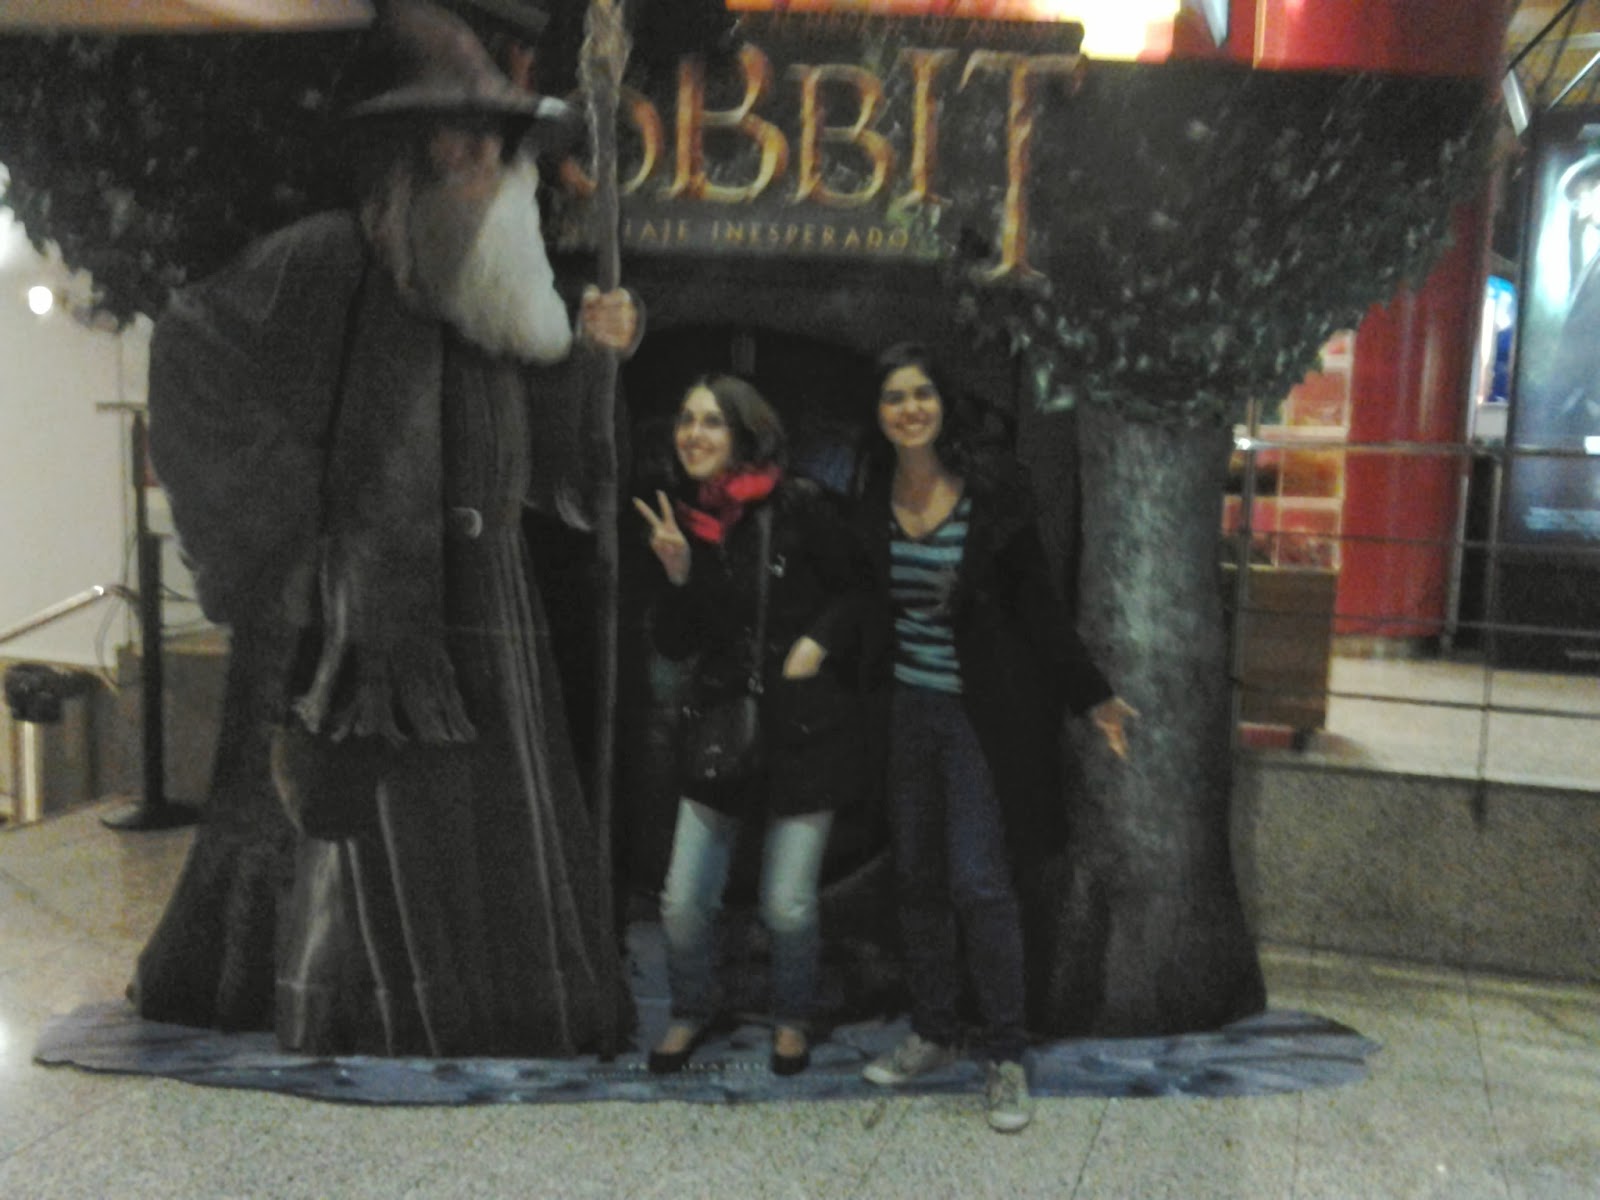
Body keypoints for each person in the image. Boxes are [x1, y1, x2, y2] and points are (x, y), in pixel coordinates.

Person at [145, 0, 638, 1056]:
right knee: (385, 843)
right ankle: (377, 1019)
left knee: (498, 841)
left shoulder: (490, 284)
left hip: (496, 621)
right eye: (468, 140)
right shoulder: (327, 260)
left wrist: (595, 363)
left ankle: (505, 1015)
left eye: (498, 143)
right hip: (381, 631)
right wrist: (296, 545)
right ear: (409, 154)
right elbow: (191, 352)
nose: (495, 165)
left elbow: (554, 471)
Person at [853, 343, 1136, 1131]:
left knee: (979, 881)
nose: (909, 409)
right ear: (877, 414)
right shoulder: (872, 491)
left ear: (943, 403)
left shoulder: (992, 490)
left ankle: (1006, 1055)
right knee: (916, 877)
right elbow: (860, 599)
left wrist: (1093, 695)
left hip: (979, 716)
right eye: (893, 398)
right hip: (907, 710)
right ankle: (934, 1030)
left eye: (921, 394)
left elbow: (1039, 604)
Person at [633, 375, 870, 1075]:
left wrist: (818, 641)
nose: (693, 434)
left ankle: (792, 1016)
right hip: (722, 725)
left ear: (744, 433)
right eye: (686, 420)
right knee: (683, 903)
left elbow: (861, 587)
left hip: (803, 729)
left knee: (788, 905)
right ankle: (691, 1007)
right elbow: (675, 642)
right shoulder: (685, 522)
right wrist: (679, 574)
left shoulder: (800, 504)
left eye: (711, 421)